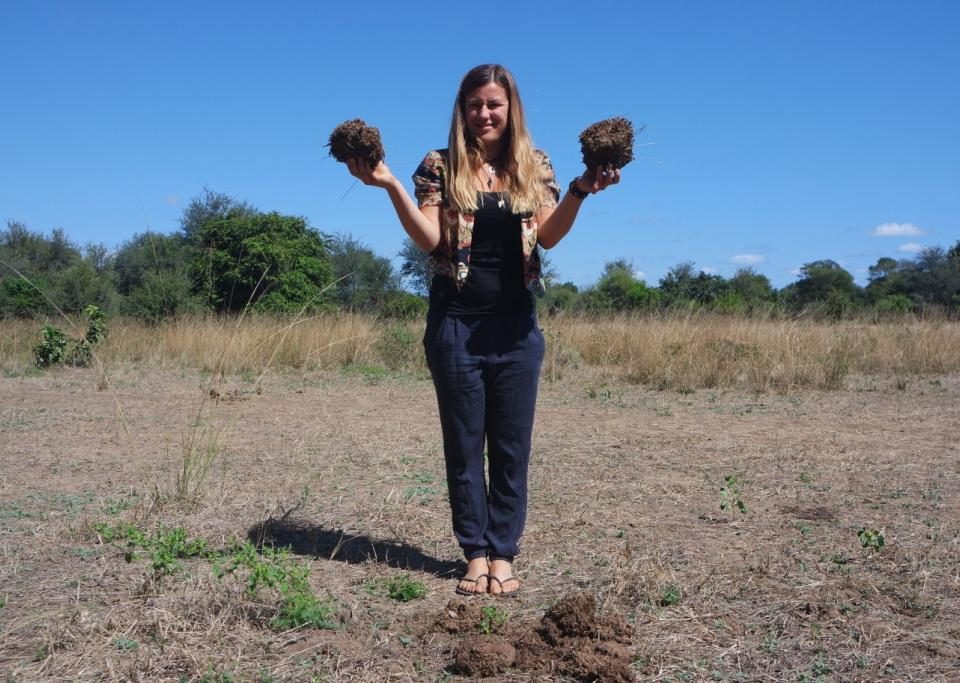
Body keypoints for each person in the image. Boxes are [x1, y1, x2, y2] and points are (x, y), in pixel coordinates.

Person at [346, 64, 621, 596]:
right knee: (465, 445)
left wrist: (581, 190)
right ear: (462, 109)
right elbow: (430, 240)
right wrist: (389, 185)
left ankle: (504, 552)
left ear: (510, 107)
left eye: (494, 104)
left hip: (517, 330)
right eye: (475, 104)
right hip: (455, 325)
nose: (484, 113)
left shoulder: (534, 165)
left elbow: (550, 236)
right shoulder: (439, 165)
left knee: (513, 446)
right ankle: (474, 553)